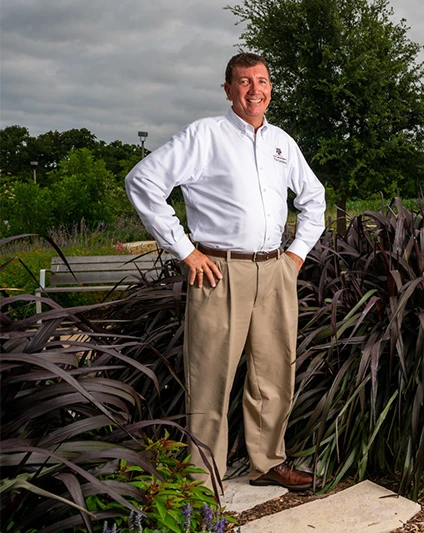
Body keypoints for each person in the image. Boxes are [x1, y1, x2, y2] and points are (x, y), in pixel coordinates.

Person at [126, 52, 325, 492]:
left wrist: (295, 255)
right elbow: (143, 181)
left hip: (275, 270)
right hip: (218, 273)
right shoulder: (205, 135)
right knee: (211, 375)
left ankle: (268, 463)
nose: (255, 90)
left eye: (262, 81)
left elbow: (314, 199)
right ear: (228, 89)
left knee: (274, 373)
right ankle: (203, 477)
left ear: (271, 86)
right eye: (244, 82)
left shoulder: (282, 143)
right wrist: (184, 250)